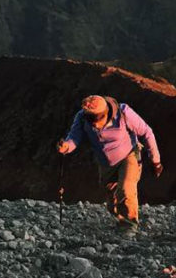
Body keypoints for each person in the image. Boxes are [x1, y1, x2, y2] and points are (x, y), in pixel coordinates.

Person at [57, 95, 162, 229]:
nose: (94, 124)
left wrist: (156, 161)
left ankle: (129, 225)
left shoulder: (124, 113)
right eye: (90, 120)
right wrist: (66, 147)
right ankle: (120, 216)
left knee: (125, 189)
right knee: (113, 202)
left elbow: (147, 132)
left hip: (129, 155)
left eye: (96, 119)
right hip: (106, 162)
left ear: (105, 113)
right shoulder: (82, 116)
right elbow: (74, 136)